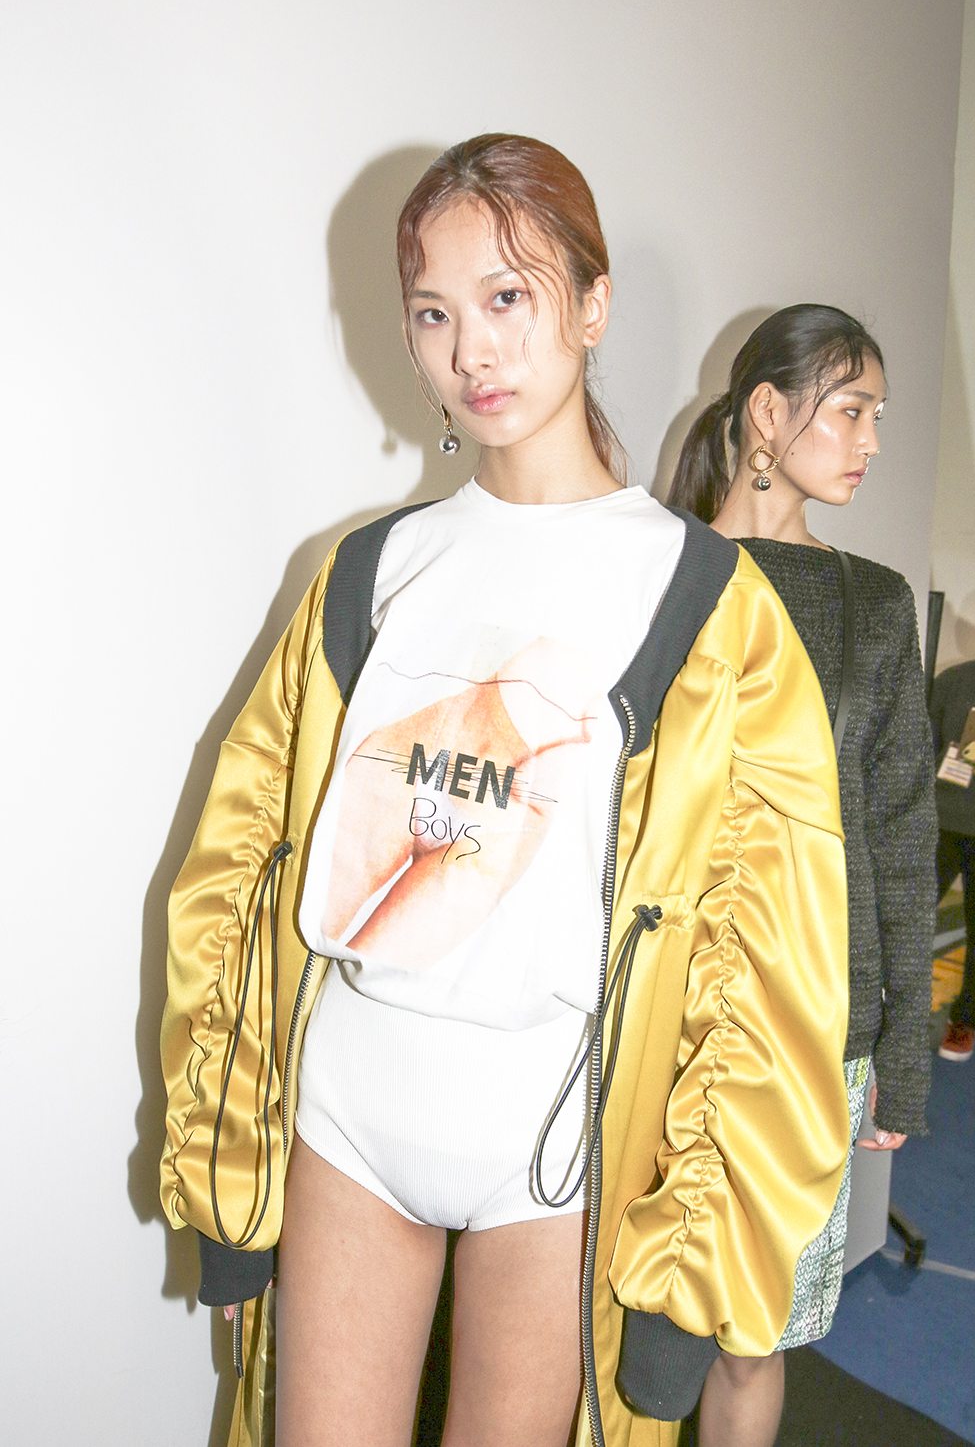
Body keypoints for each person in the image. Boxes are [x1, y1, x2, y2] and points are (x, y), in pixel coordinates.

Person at [160, 140, 852, 1447]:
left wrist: (695, 1276)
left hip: (554, 1139)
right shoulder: (366, 571)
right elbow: (239, 865)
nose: (471, 349)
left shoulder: (708, 607)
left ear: (592, 306)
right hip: (351, 1105)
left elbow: (768, 963)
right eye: (433, 312)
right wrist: (226, 1174)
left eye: (508, 297)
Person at [669, 302, 938, 1446]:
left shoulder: (875, 603)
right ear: (767, 414)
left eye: (878, 415)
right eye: (851, 410)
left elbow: (901, 837)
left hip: (816, 1036)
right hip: (658, 1016)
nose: (871, 441)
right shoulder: (658, 572)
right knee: (613, 1316)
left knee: (756, 1337)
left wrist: (903, 1053)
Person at [931, 588, 975, 1061]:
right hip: (941, 821)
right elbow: (925, 745)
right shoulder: (954, 681)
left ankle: (964, 1023)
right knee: (909, 914)